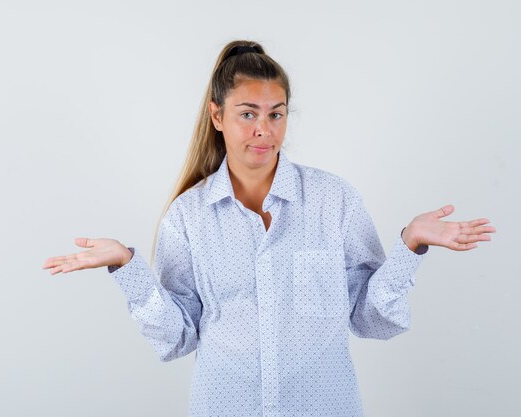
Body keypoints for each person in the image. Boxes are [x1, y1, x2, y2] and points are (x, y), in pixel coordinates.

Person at [42, 40, 496, 417]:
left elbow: (368, 318)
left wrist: (409, 245)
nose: (263, 129)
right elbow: (179, 335)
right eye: (247, 114)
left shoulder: (333, 201)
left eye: (275, 114)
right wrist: (126, 266)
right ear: (217, 116)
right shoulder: (188, 217)